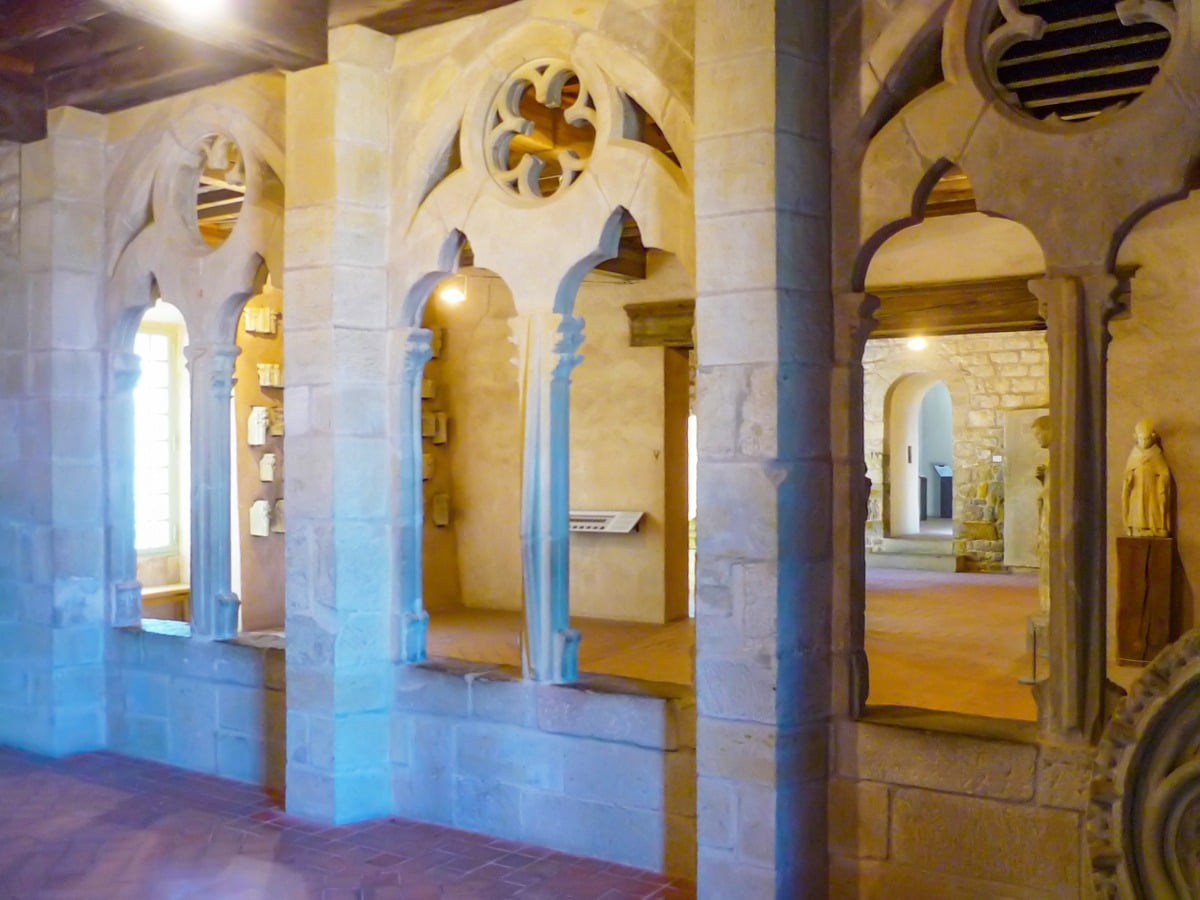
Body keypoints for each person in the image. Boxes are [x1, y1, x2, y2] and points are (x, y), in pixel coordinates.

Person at [1122, 419, 1172, 538]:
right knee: (1138, 508)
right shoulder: (1134, 454)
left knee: (1152, 508)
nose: (1144, 442)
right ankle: (1137, 528)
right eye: (1141, 439)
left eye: (1147, 439)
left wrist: (1162, 480)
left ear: (1153, 438)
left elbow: (1164, 472)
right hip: (1137, 489)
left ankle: (1156, 527)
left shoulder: (1156, 454)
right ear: (1136, 438)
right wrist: (1128, 478)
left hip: (1152, 488)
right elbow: (1128, 471)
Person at [1032, 415, 1051, 613]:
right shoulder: (1052, 459)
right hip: (1047, 519)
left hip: (1052, 523)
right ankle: (1047, 608)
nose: (1037, 439)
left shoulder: (1061, 458)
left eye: (1038, 434)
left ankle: (1050, 609)